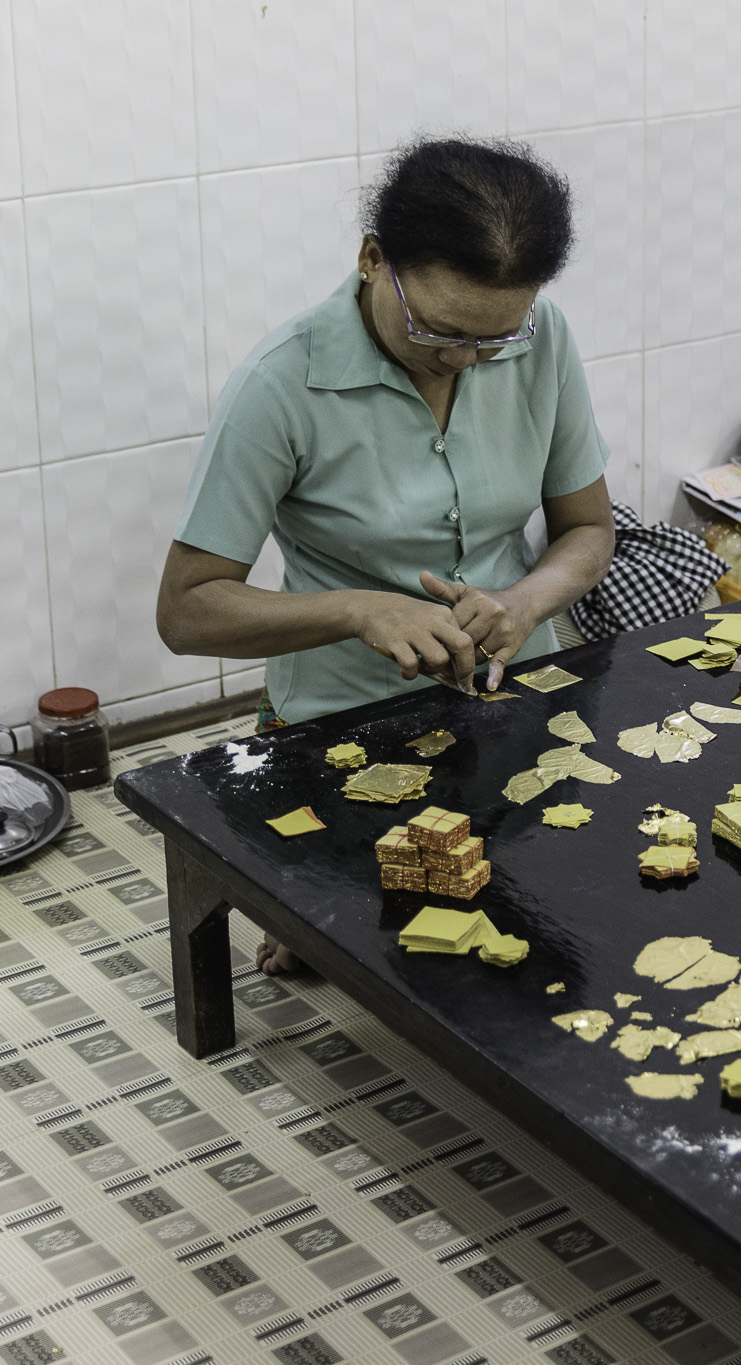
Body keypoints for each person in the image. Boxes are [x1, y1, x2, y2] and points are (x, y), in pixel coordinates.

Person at [157, 136, 617, 973]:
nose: (462, 360)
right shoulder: (281, 385)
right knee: (356, 936)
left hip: (517, 696)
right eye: (435, 329)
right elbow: (187, 610)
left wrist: (524, 602)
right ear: (372, 260)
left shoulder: (541, 337)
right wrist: (359, 608)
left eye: (493, 339)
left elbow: (588, 530)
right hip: (342, 724)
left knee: (556, 924)